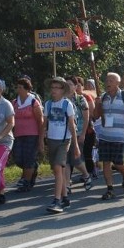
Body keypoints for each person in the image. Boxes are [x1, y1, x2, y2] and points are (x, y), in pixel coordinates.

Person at [93, 72, 124, 200]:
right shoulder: (103, 97)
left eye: (111, 80)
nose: (108, 83)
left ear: (118, 83)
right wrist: (97, 105)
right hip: (104, 135)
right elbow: (95, 116)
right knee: (106, 162)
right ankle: (110, 189)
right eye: (107, 80)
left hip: (119, 136)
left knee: (118, 162)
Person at [43, 77, 81, 213]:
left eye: (57, 88)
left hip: (64, 141)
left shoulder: (67, 104)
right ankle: (65, 198)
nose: (54, 90)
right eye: (52, 87)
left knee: (58, 168)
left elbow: (72, 126)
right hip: (52, 140)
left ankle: (56, 200)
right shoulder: (48, 104)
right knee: (56, 170)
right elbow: (44, 123)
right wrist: (41, 140)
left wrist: (75, 145)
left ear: (62, 90)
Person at [11, 77, 44, 191]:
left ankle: (26, 182)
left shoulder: (34, 102)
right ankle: (33, 167)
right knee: (18, 158)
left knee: (28, 159)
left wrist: (41, 139)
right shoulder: (14, 103)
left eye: (20, 87)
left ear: (26, 89)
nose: (18, 90)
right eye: (17, 87)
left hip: (32, 135)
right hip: (18, 135)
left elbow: (40, 121)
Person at [65, 76, 94, 192]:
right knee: (66, 161)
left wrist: (82, 134)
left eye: (70, 84)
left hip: (78, 133)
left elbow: (86, 118)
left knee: (76, 160)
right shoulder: (61, 99)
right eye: (66, 84)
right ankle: (66, 185)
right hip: (65, 134)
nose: (68, 87)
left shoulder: (80, 99)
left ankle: (86, 175)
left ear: (76, 86)